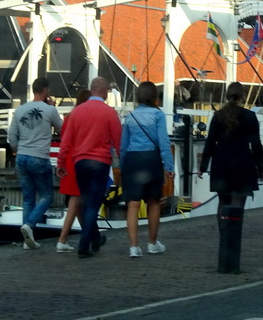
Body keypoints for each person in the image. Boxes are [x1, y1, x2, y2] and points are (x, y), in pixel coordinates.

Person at [57, 76, 121, 258]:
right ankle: (84, 245)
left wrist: (61, 163)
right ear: (104, 91)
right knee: (93, 204)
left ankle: (94, 238)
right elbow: (118, 141)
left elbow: (66, 142)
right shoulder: (109, 113)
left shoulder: (77, 112)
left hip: (80, 162)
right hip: (100, 162)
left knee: (85, 202)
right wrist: (121, 164)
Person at [120, 81, 175, 258]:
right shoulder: (158, 115)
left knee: (133, 204)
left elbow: (123, 146)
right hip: (151, 159)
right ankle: (152, 243)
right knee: (153, 201)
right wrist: (169, 166)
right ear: (155, 97)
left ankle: (133, 247)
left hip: (132, 160)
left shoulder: (130, 116)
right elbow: (164, 142)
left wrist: (122, 167)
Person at [198, 82, 263, 223]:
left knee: (223, 202)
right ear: (243, 96)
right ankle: (233, 237)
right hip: (243, 163)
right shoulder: (250, 116)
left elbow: (210, 143)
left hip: (221, 163)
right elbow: (256, 145)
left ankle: (224, 236)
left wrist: (203, 167)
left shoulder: (218, 116)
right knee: (238, 203)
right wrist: (261, 168)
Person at [7, 78, 63, 250]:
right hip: (39, 157)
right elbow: (62, 129)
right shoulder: (49, 110)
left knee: (28, 198)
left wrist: (18, 150)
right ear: (45, 90)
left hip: (22, 156)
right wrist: (53, 108)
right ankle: (30, 225)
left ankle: (27, 240)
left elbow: (11, 136)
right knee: (46, 196)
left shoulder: (20, 110)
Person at [54, 88, 90, 253]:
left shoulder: (68, 118)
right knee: (76, 201)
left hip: (67, 161)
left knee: (77, 202)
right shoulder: (84, 118)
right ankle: (62, 239)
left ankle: (88, 235)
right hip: (78, 161)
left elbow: (65, 140)